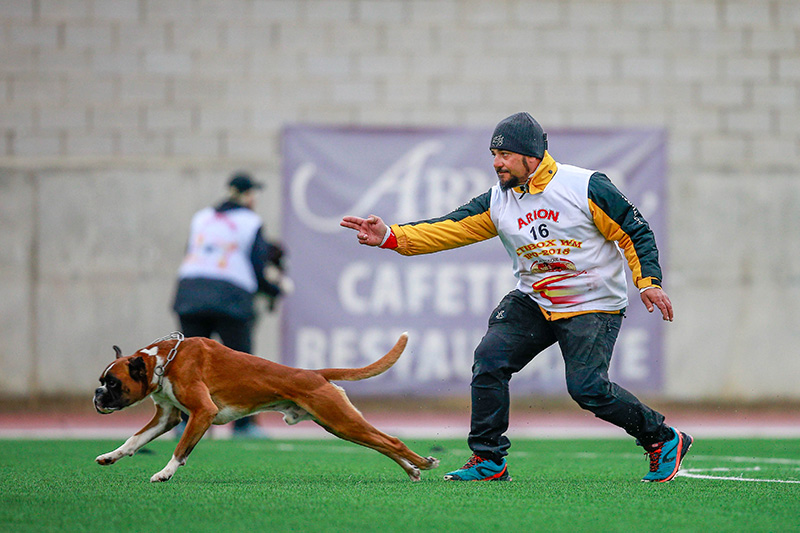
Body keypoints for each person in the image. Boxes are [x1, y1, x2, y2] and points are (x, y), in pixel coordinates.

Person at [340, 112, 691, 482]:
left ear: (531, 156)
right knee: (489, 360)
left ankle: (663, 438)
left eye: (504, 154)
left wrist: (648, 281)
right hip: (536, 301)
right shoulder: (498, 200)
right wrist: (390, 236)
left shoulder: (586, 186)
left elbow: (633, 232)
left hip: (593, 303)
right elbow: (448, 228)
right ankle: (489, 459)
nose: (496, 163)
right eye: (493, 154)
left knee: (587, 388)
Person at [173, 171, 289, 438]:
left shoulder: (201, 217)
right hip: (230, 294)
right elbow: (258, 267)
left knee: (189, 364)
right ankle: (244, 425)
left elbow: (195, 253)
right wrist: (275, 288)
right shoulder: (251, 220)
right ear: (249, 196)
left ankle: (185, 423)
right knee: (241, 364)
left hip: (189, 290)